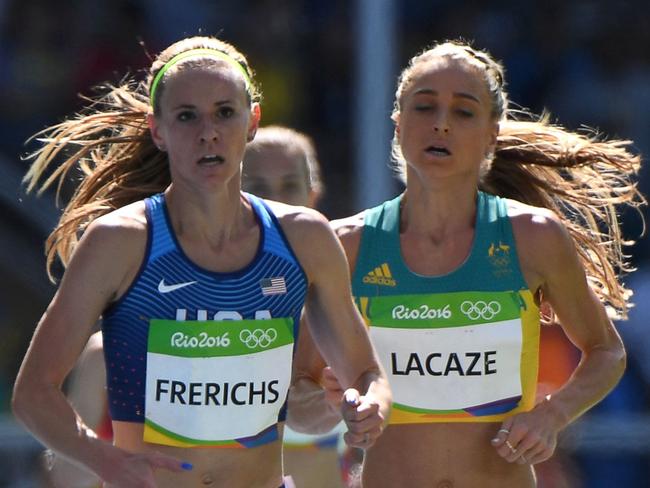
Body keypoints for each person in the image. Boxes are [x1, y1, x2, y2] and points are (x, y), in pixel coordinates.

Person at [12, 35, 391, 488]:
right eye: (187, 116)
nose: (207, 132)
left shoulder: (304, 237)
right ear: (158, 130)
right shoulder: (119, 241)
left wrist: (369, 406)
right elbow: (33, 394)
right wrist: (107, 460)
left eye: (224, 113)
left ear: (252, 122)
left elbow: (368, 375)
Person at [290, 40, 644, 487]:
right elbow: (299, 398)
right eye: (424, 107)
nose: (441, 124)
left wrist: (553, 414)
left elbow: (607, 352)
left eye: (463, 111)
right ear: (397, 125)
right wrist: (330, 400)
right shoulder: (346, 245)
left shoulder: (533, 236)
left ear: (491, 133)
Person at [242, 125, 350, 488]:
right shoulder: (194, 293)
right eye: (258, 187)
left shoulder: (346, 288)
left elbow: (312, 419)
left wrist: (330, 394)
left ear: (313, 193)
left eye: (289, 186)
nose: (276, 200)